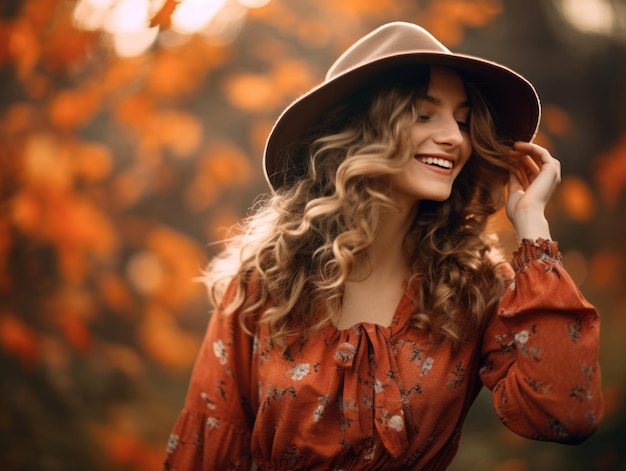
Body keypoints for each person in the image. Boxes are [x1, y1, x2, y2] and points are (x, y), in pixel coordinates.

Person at [164, 22, 603, 470]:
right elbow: (206, 447)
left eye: (463, 120)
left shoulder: (476, 285)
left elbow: (567, 413)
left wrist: (533, 225)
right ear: (362, 130)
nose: (454, 136)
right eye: (423, 114)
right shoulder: (266, 280)